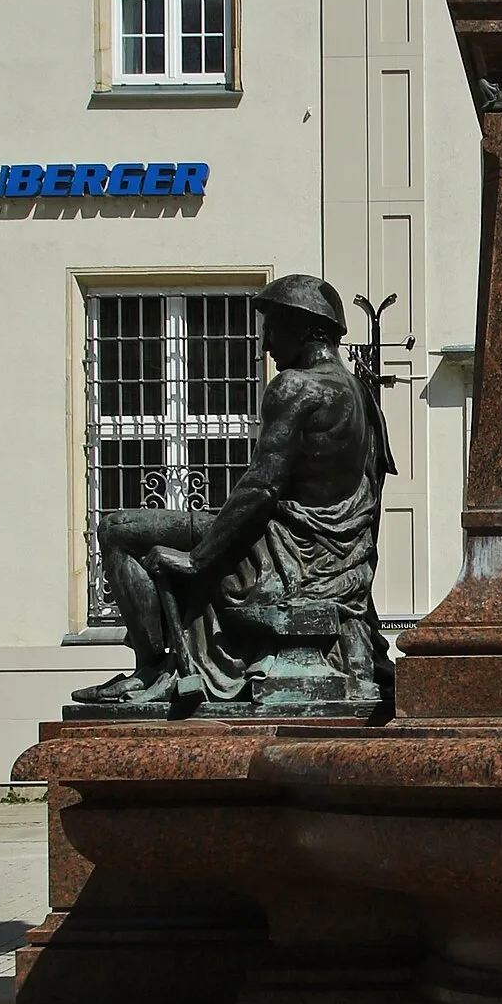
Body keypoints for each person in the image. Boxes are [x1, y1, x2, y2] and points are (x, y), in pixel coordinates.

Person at [73, 275, 394, 715]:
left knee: (117, 529)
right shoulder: (360, 394)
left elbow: (262, 486)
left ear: (302, 327)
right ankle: (158, 667)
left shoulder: (296, 386)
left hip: (283, 548)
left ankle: (150, 670)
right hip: (332, 553)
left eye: (273, 328)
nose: (265, 344)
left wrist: (198, 558)